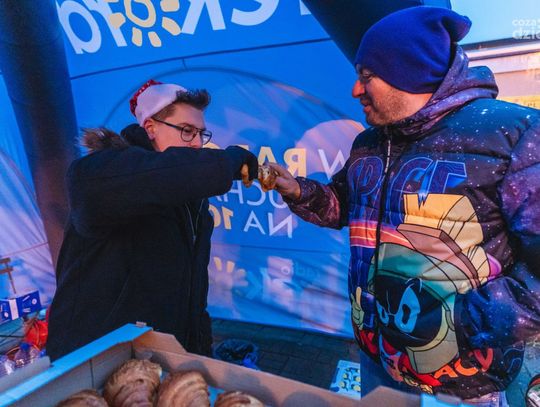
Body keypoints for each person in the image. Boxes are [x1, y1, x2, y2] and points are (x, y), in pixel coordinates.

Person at [269, 6, 540, 405]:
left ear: (408, 71)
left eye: (367, 76)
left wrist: (457, 321)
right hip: (377, 358)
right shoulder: (369, 143)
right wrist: (297, 191)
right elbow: (343, 206)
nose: (355, 90)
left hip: (461, 385)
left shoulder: (513, 136)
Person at [47, 80, 258, 360]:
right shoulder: (104, 171)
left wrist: (199, 355)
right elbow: (150, 177)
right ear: (150, 127)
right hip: (94, 358)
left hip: (158, 356)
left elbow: (194, 296)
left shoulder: (193, 203)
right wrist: (226, 162)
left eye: (201, 133)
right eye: (187, 131)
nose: (197, 142)